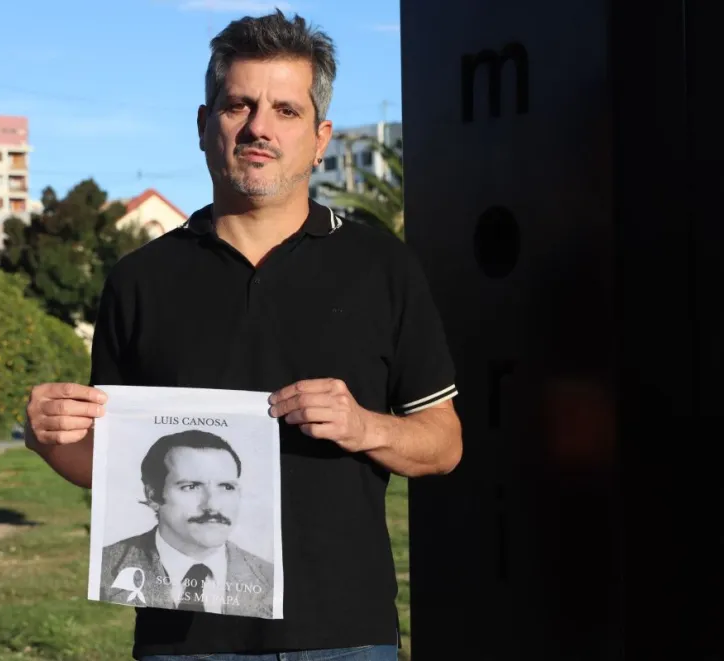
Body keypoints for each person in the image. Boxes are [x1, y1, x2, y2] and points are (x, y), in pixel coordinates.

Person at [25, 9, 463, 661]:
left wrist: (364, 426)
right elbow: (118, 471)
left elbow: (444, 444)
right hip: (185, 639)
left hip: (344, 635)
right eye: (239, 106)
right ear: (205, 125)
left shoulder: (381, 266)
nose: (260, 127)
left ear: (320, 138)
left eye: (286, 110)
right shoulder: (140, 280)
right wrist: (48, 438)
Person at [99, 429, 274, 618]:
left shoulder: (270, 578)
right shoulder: (104, 567)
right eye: (190, 487)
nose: (212, 505)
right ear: (153, 496)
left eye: (226, 487)